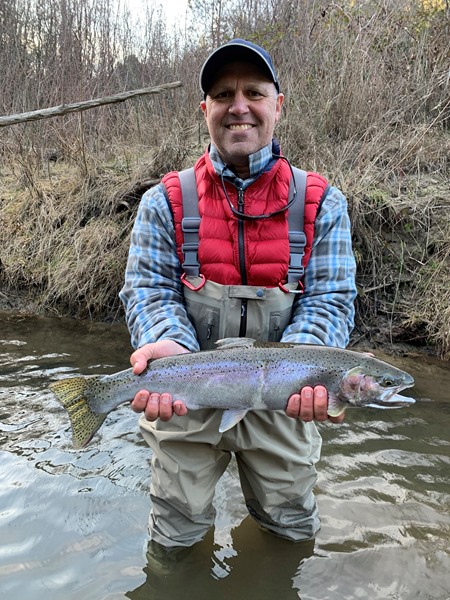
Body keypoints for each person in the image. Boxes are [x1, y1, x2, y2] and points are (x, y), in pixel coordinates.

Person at [120, 39, 357, 551]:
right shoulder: (165, 202)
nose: (239, 106)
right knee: (174, 535)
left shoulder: (322, 203)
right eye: (224, 94)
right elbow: (149, 292)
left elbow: (331, 300)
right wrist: (167, 346)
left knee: (291, 531)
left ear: (278, 104)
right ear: (205, 110)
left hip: (283, 400)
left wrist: (307, 371)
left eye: (254, 91)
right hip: (186, 397)